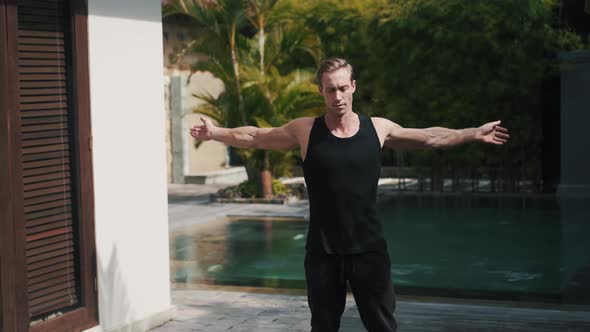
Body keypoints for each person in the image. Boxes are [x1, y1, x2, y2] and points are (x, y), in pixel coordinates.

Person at [189, 57, 509, 332]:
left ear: (353, 86)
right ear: (321, 91)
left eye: (343, 88)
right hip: (323, 254)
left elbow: (428, 138)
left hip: (369, 251)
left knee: (383, 326)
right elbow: (257, 136)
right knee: (324, 328)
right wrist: (215, 133)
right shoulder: (306, 131)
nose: (338, 96)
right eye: (331, 89)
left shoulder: (378, 129)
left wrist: (470, 133)